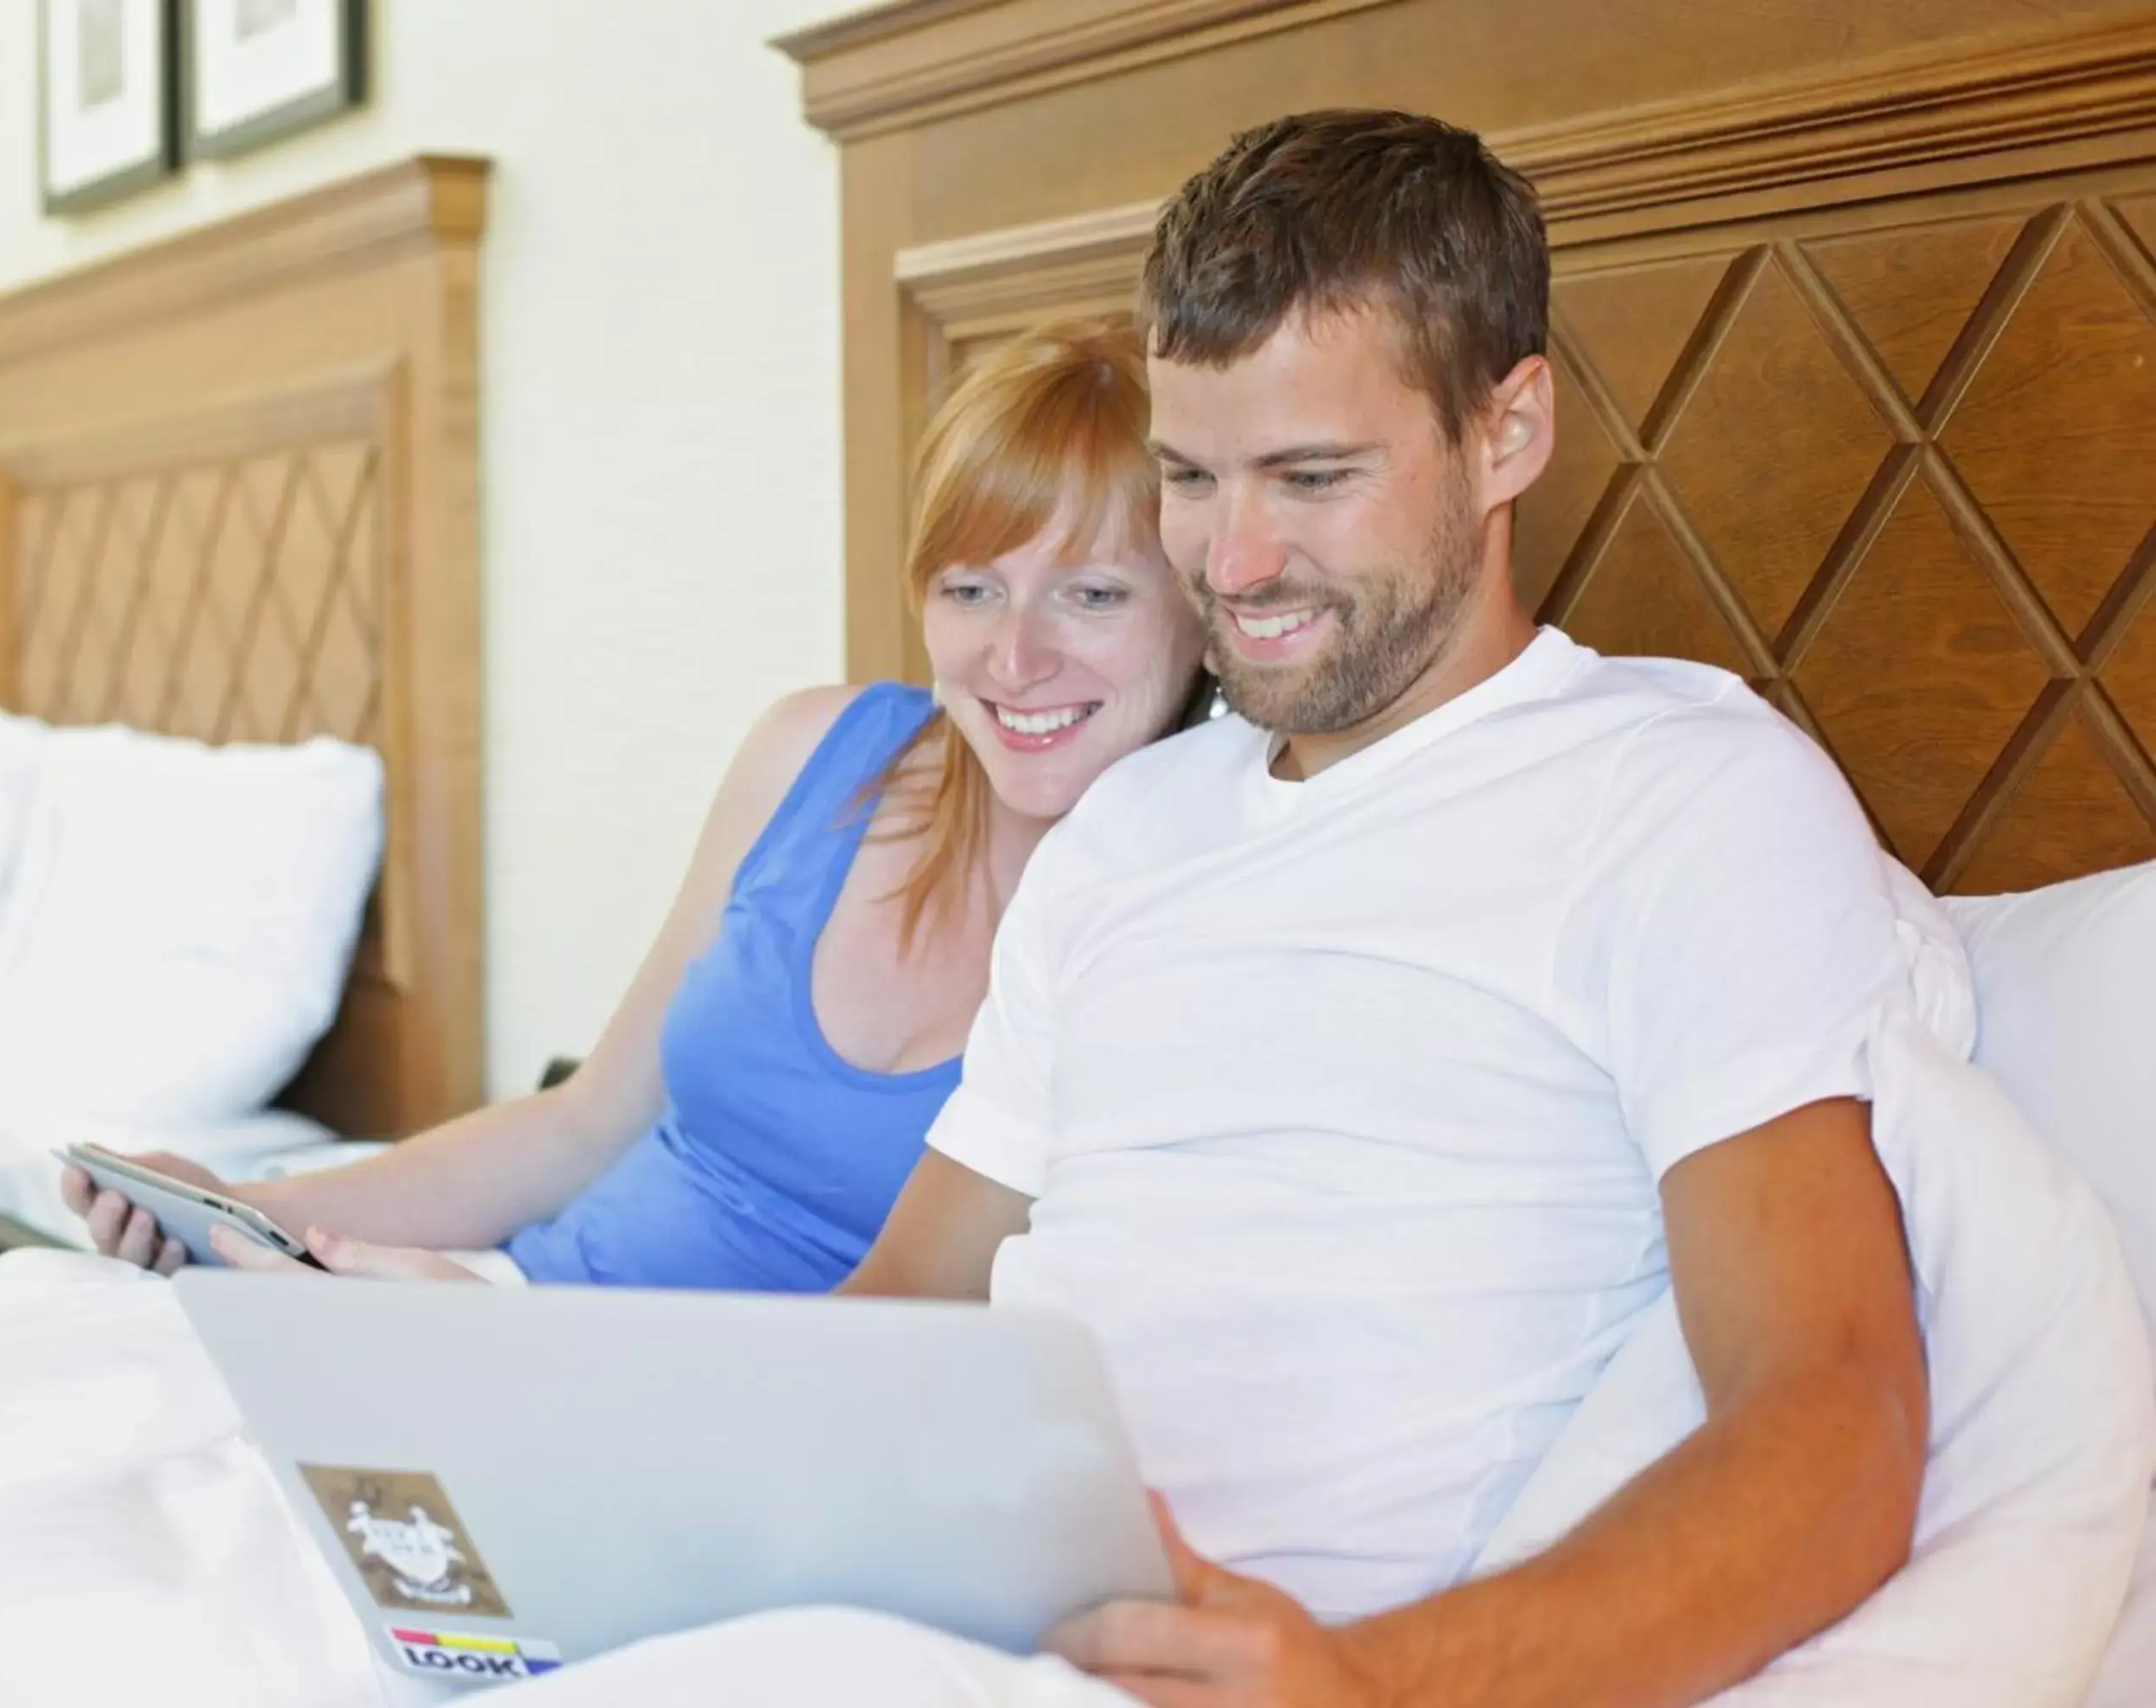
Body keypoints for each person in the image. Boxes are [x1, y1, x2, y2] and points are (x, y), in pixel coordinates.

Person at [516, 109, 1929, 1708]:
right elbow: (907, 1304)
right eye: (1191, 479)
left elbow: (1839, 1424)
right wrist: (585, 1469)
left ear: (1510, 429)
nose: (1235, 561)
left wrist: (1363, 1685)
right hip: (939, 1629)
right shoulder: (1133, 823)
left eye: (1311, 477)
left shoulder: (1681, 798)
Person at [66, 320, 1210, 1292]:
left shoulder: (1188, 923)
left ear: (1200, 604)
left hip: (696, 1429)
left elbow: (932, 1358)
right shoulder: (817, 751)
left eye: (1092, 594)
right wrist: (237, 1215)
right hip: (520, 1306)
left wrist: (513, 1344)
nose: (1016, 656)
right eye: (972, 590)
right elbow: (579, 1125)